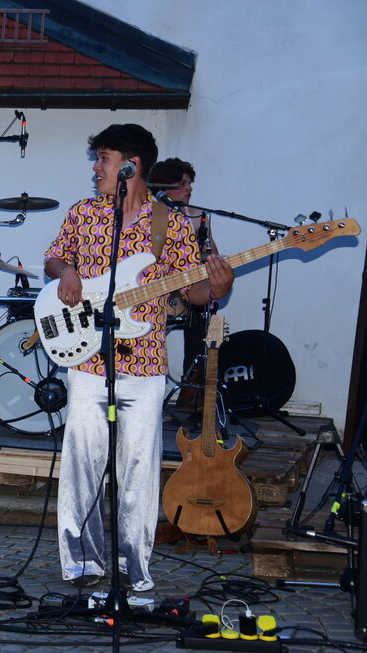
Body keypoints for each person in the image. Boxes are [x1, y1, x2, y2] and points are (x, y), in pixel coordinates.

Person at [43, 124, 234, 591]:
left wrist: (218, 287)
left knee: (138, 475)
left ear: (132, 166)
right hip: (88, 361)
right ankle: (83, 565)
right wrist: (66, 270)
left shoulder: (168, 223)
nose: (96, 168)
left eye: (103, 159)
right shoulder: (85, 213)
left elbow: (193, 291)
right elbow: (53, 258)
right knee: (83, 466)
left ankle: (135, 568)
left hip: (145, 366)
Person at [149, 157, 219, 379]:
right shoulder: (147, 213)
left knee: (203, 313)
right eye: (182, 184)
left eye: (190, 183)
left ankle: (193, 387)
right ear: (164, 187)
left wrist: (214, 263)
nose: (189, 189)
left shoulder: (197, 215)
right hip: (152, 288)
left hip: (186, 287)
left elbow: (212, 254)